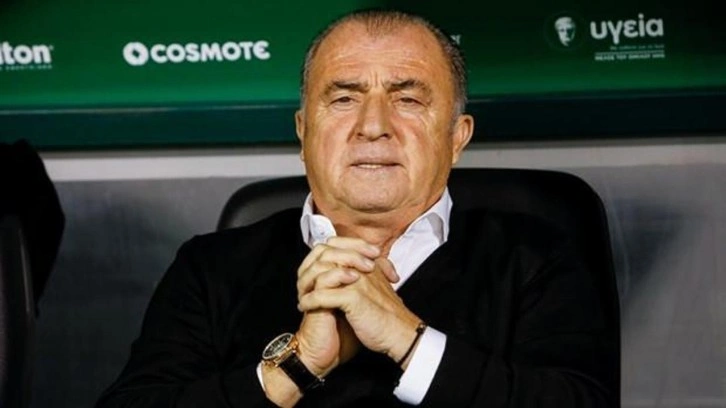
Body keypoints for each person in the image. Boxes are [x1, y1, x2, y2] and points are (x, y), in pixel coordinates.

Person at [96, 9, 619, 407]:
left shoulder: (537, 258)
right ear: (303, 132)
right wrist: (296, 367)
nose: (373, 126)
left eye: (408, 100)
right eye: (344, 99)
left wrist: (408, 340)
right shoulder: (210, 267)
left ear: (456, 137)